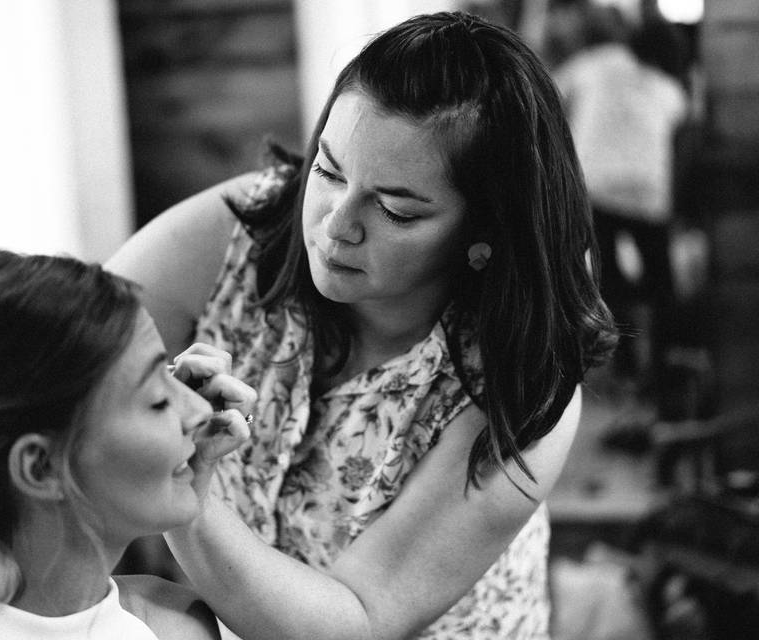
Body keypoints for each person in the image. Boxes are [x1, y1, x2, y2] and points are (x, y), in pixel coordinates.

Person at [109, 10, 617, 640]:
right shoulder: (243, 231)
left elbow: (358, 620)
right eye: (328, 171)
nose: (335, 225)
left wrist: (185, 485)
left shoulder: (527, 376)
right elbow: (64, 351)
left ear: (484, 233)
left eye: (397, 210)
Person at [0, 249, 255, 640]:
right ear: (41, 467)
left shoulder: (178, 623)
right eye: (158, 399)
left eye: (171, 372)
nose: (200, 409)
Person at [553, 15, 689, 399]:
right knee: (662, 284)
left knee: (607, 278)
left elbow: (551, 93)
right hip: (649, 194)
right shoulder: (671, 90)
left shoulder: (597, 62)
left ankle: (624, 363)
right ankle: (664, 371)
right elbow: (682, 140)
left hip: (596, 188)